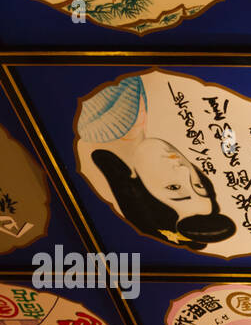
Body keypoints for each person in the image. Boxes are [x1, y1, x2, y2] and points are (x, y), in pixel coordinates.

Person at [78, 75, 235, 252]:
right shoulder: (136, 117)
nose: (184, 170)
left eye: (174, 188)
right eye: (199, 186)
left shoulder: (95, 122)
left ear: (136, 190)